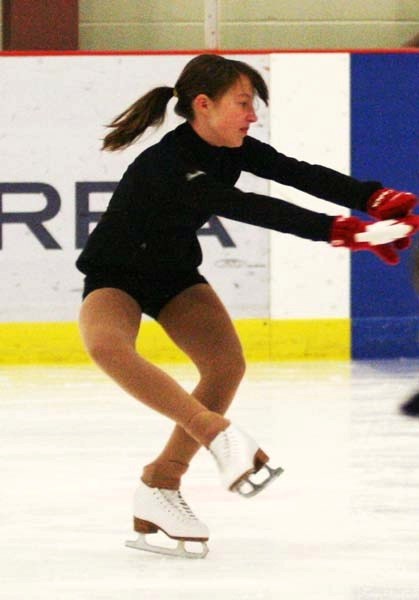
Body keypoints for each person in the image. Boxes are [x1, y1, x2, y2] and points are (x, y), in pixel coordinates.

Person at [76, 53, 418, 558]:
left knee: (225, 365)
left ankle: (160, 483)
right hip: (115, 277)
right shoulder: (169, 165)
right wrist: (341, 232)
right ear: (203, 105)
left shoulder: (232, 148)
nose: (252, 115)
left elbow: (297, 173)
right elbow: (251, 207)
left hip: (174, 277)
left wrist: (371, 199)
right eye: (242, 103)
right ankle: (215, 434)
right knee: (107, 346)